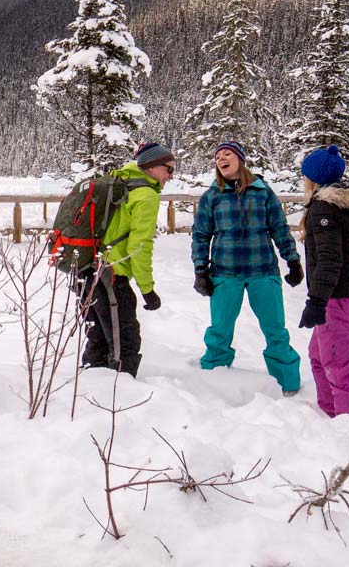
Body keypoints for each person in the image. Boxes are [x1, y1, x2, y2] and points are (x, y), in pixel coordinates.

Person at [191, 141, 304, 395]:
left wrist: (293, 260)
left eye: (227, 154)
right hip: (224, 273)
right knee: (220, 330)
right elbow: (200, 235)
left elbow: (279, 228)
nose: (221, 159)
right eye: (217, 156)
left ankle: (288, 384)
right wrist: (201, 270)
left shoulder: (262, 191)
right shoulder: (212, 196)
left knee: (275, 330)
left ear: (240, 159)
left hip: (263, 271)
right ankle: (212, 381)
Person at [299, 144, 349, 418]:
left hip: (340, 297)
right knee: (319, 357)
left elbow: (330, 259)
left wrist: (317, 301)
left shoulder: (324, 207)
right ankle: (331, 413)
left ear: (313, 178)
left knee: (340, 365)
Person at [81, 142, 175, 377]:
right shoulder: (145, 195)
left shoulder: (119, 183)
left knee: (99, 335)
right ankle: (121, 391)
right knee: (125, 339)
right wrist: (147, 289)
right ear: (151, 167)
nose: (171, 176)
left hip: (85, 268)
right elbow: (139, 247)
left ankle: (90, 387)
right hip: (111, 273)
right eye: (169, 169)